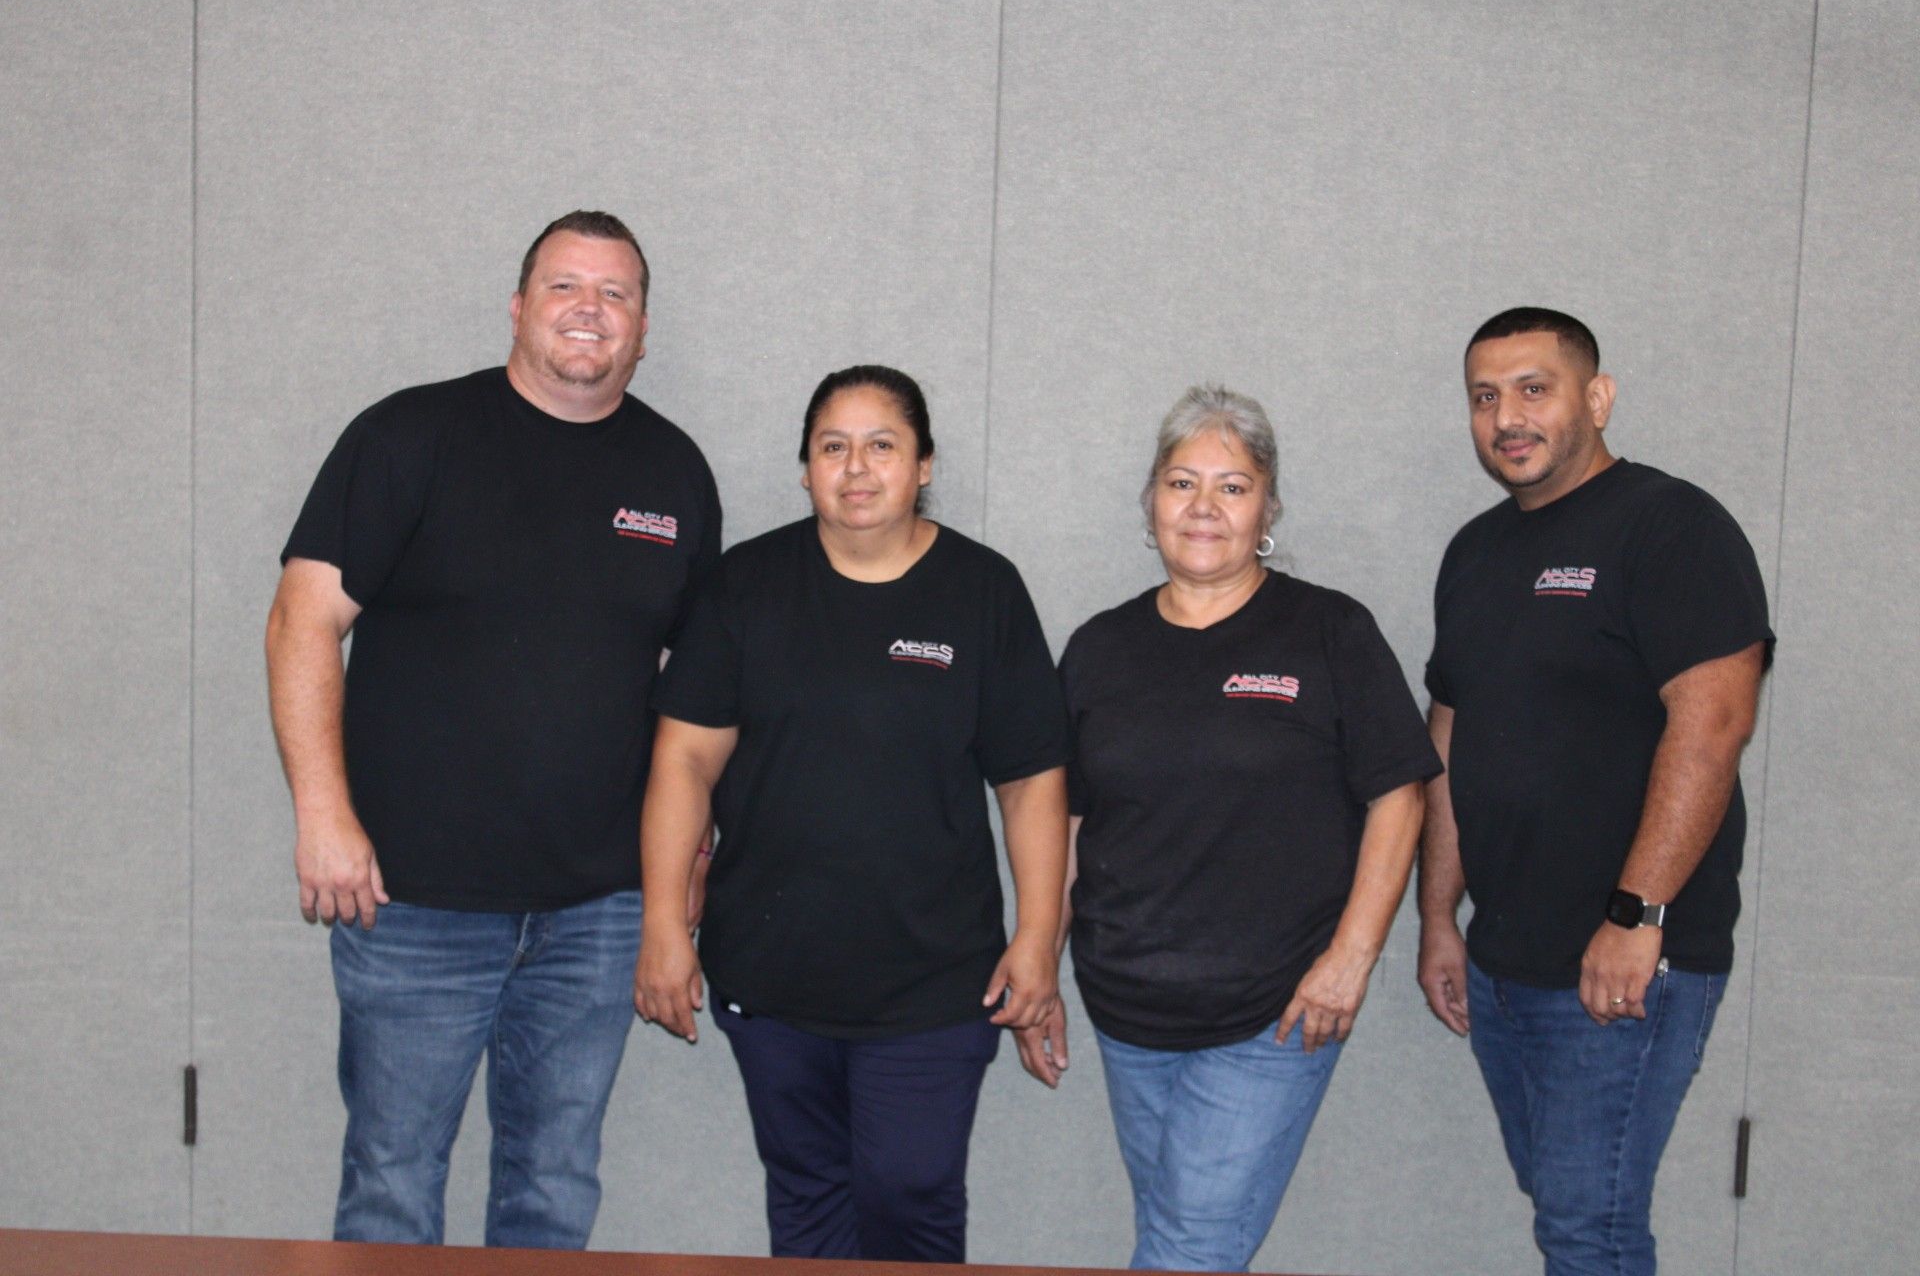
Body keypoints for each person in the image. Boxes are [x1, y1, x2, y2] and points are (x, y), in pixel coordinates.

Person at [265, 210, 720, 1248]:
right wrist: (323, 813)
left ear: (643, 328)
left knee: (553, 1183)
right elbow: (302, 620)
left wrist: (690, 852)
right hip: (414, 898)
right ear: (518, 306)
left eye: (614, 293)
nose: (588, 310)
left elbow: (698, 701)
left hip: (597, 908)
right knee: (391, 1177)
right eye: (565, 286)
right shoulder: (407, 437)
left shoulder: (675, 476)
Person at [633, 365, 1070, 1264]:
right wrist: (662, 926)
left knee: (909, 1191)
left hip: (936, 979)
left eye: (882, 446)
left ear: (923, 466)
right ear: (805, 469)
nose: (856, 468)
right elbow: (682, 758)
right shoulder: (745, 587)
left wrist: (1039, 938)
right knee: (807, 1200)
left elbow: (1031, 782)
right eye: (833, 446)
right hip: (772, 972)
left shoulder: (983, 592)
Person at [1014, 385, 1441, 1273]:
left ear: (1268, 507)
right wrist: (1040, 959)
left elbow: (1400, 795)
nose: (1204, 507)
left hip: (1275, 1009)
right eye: (1181, 483)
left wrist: (1351, 959)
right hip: (1128, 1006)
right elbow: (1067, 819)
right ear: (1150, 503)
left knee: (1188, 1249)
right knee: (1183, 1233)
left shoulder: (1329, 631)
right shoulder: (1099, 647)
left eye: (1233, 486)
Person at [1417, 308, 1772, 1275]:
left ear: (1597, 397)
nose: (1507, 418)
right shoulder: (1474, 553)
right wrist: (1439, 913)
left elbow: (1715, 723)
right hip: (1505, 956)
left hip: (1629, 957)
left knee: (1588, 1225)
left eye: (1535, 389)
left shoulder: (1671, 526)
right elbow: (1451, 736)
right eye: (1486, 398)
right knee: (1568, 1204)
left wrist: (1637, 913)